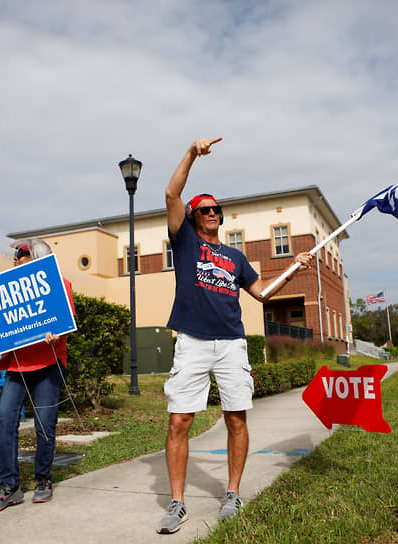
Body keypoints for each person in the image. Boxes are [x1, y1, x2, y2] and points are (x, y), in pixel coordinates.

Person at [157, 137, 315, 534]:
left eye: (216, 209)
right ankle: (177, 503)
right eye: (204, 209)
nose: (212, 213)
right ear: (194, 217)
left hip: (231, 343)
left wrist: (293, 269)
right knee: (179, 422)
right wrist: (192, 153)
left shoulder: (235, 258)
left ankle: (232, 492)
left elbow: (261, 293)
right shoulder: (185, 241)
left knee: (236, 420)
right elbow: (171, 192)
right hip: (192, 341)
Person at [0, 238, 75, 513]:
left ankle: (43, 479)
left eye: (20, 255)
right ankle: (9, 486)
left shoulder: (60, 283)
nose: (15, 260)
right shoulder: (10, 285)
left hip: (48, 363)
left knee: (45, 424)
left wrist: (58, 332)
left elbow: (66, 321)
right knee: (6, 419)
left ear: (35, 258)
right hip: (17, 365)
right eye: (16, 256)